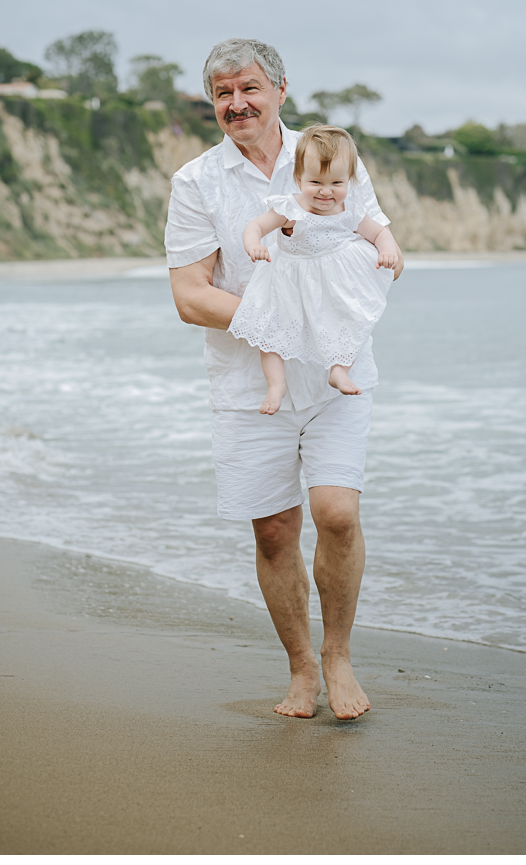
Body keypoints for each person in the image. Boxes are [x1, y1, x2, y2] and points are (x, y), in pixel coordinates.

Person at [166, 38, 404, 720]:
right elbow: (190, 297)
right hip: (250, 384)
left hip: (338, 377)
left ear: (279, 89)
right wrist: (278, 319)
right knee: (273, 531)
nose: (235, 105)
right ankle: (302, 669)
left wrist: (383, 265)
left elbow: (376, 241)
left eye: (248, 89)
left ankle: (340, 656)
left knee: (338, 513)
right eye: (222, 95)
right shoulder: (196, 182)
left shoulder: (331, 154)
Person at [229, 124, 400, 414]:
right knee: (270, 331)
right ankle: (276, 385)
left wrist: (387, 250)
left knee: (350, 321)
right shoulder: (290, 209)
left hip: (333, 284)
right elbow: (255, 225)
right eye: (316, 182)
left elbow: (379, 233)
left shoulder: (351, 211)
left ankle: (339, 370)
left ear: (349, 181)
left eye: (336, 183)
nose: (326, 191)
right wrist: (253, 244)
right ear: (298, 178)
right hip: (288, 283)